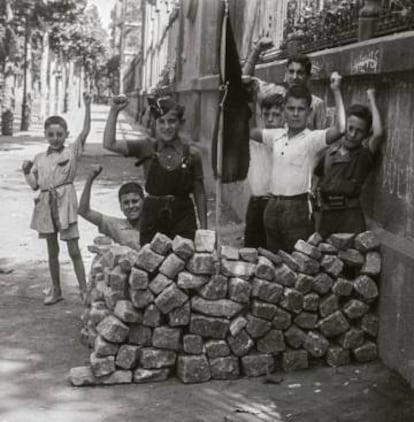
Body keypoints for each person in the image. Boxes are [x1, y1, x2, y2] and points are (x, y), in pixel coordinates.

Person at [250, 72, 346, 253]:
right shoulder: (276, 136)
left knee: (299, 264)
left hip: (298, 210)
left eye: (300, 109)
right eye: (291, 108)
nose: (295, 114)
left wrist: (336, 91)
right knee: (274, 264)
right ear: (284, 109)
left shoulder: (312, 139)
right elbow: (250, 131)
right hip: (271, 208)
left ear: (309, 112)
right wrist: (244, 96)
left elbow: (341, 128)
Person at [103, 95, 207, 244]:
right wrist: (114, 111)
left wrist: (204, 230)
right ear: (154, 124)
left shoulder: (192, 154)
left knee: (184, 260)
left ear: (181, 123)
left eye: (172, 121)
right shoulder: (146, 147)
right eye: (161, 122)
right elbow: (109, 144)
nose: (167, 127)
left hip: (183, 218)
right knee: (150, 262)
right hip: (153, 217)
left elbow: (199, 192)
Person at [22, 93, 91, 305]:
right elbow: (35, 185)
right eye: (51, 134)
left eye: (59, 134)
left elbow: (85, 132)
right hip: (45, 205)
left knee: (74, 250)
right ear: (45, 134)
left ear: (66, 134)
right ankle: (56, 289)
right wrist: (26, 172)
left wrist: (88, 105)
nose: (55, 138)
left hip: (65, 204)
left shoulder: (71, 152)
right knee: (52, 251)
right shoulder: (39, 159)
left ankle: (83, 290)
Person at [314, 88, 383, 238]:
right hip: (326, 218)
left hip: (350, 219)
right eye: (350, 128)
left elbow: (378, 135)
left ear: (365, 134)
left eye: (359, 131)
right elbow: (316, 182)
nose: (352, 134)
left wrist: (371, 98)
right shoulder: (328, 154)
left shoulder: (364, 156)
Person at [78, 165, 143, 250]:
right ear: (121, 206)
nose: (131, 206)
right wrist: (90, 179)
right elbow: (84, 211)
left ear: (143, 201)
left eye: (135, 201)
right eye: (126, 203)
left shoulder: (155, 225)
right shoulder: (116, 225)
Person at [285, 55, 327, 130]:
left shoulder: (317, 104)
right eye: (291, 72)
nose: (294, 77)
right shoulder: (279, 99)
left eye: (300, 73)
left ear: (308, 76)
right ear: (286, 74)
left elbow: (320, 136)